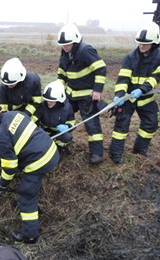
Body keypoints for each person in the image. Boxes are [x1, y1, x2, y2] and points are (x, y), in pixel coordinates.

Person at [0, 99, 60, 244]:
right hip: (51, 150)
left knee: (26, 194)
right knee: (30, 188)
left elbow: (10, 167)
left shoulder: (3, 137)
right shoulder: (14, 114)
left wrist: (2, 184)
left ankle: (30, 235)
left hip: (39, 162)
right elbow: (14, 134)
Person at [109, 22, 160, 164]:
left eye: (145, 44)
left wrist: (142, 89)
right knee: (121, 126)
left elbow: (156, 77)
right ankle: (115, 153)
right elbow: (123, 77)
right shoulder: (130, 56)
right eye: (140, 43)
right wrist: (120, 94)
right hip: (128, 98)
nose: (141, 46)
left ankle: (140, 148)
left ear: (154, 43)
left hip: (146, 98)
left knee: (150, 124)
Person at [56, 23, 107, 164]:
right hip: (70, 94)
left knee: (91, 124)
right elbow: (61, 72)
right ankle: (60, 146)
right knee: (62, 118)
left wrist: (97, 90)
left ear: (76, 41)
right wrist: (59, 88)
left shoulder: (86, 50)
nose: (65, 47)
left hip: (86, 96)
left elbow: (101, 69)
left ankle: (96, 154)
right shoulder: (65, 52)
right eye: (63, 45)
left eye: (68, 45)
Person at [0, 57, 43, 123]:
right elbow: (2, 111)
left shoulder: (33, 81)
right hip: (11, 114)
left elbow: (37, 102)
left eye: (12, 84)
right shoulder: (3, 87)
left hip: (29, 113)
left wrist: (25, 114)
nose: (9, 86)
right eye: (7, 84)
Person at [37, 80, 75, 153]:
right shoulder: (42, 106)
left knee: (67, 137)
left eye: (51, 101)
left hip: (58, 133)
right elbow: (35, 119)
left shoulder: (67, 108)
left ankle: (57, 149)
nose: (48, 103)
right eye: (47, 100)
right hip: (43, 132)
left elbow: (72, 122)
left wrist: (67, 126)